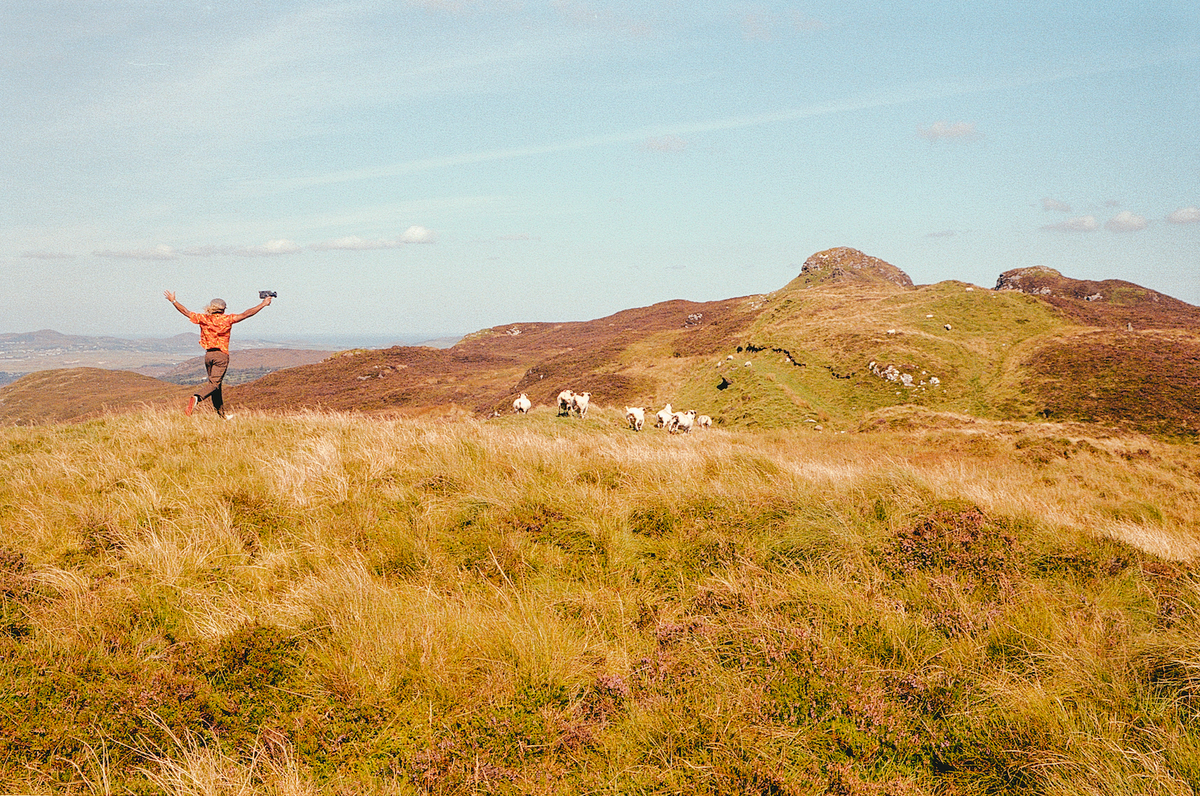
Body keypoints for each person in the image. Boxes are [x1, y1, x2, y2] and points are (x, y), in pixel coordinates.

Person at [164, 290, 273, 417]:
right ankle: (197, 398)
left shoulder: (203, 318)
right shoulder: (227, 319)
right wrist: (263, 304)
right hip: (221, 355)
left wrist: (173, 301)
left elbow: (185, 312)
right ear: (223, 309)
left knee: (216, 385)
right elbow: (246, 314)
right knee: (214, 384)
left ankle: (222, 415)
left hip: (208, 356)